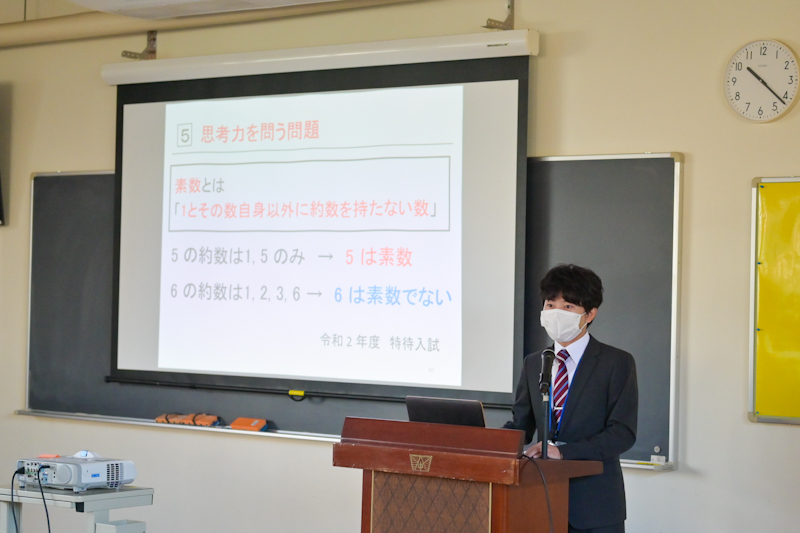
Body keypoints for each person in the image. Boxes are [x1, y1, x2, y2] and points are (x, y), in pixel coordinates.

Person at [504, 264, 638, 533]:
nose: (556, 313)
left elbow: (622, 433)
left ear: (590, 314)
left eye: (567, 307)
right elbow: (521, 424)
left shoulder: (616, 362)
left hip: (595, 506)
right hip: (540, 500)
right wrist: (488, 444)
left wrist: (564, 452)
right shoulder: (534, 363)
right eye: (550, 305)